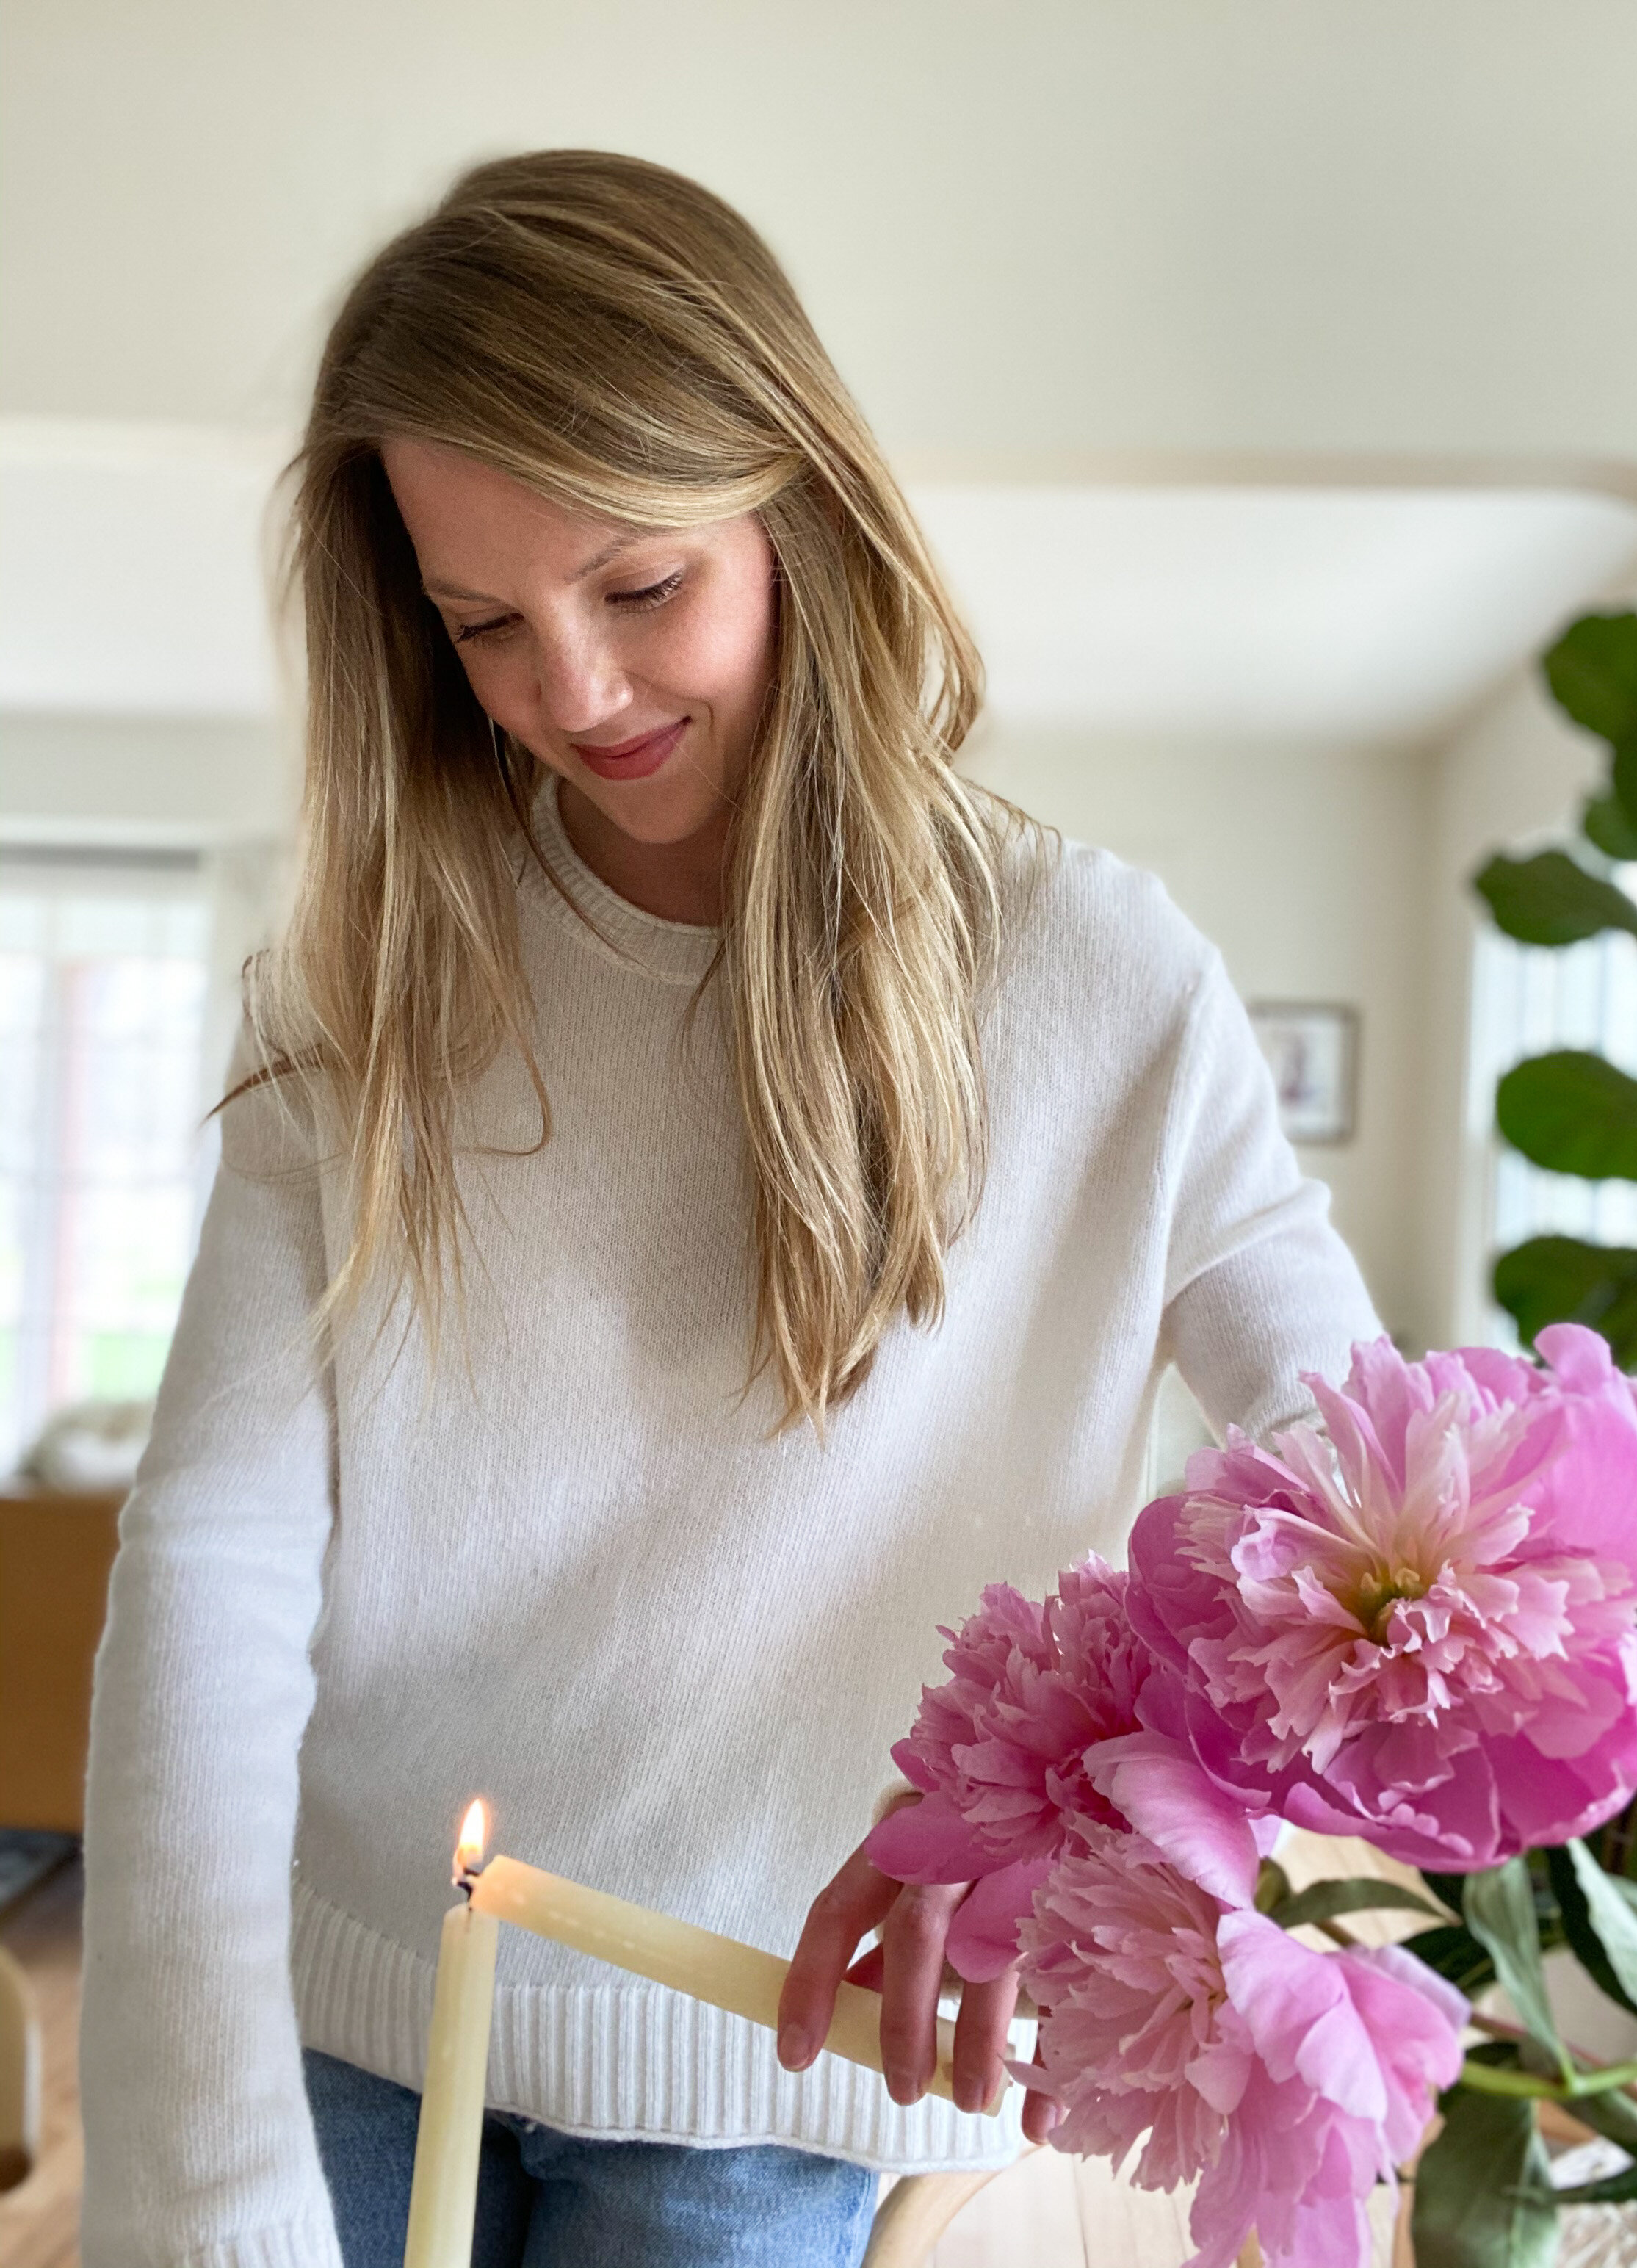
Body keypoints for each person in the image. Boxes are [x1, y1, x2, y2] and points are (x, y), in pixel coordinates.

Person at [79, 150, 1378, 2268]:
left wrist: (1103, 1799)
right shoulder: (365, 984)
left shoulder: (1095, 978)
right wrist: (197, 2169)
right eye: (478, 621)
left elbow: (1364, 1501)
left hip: (763, 2088)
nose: (568, 693)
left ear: (799, 509)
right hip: (331, 2029)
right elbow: (209, 1571)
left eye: (639, 584)